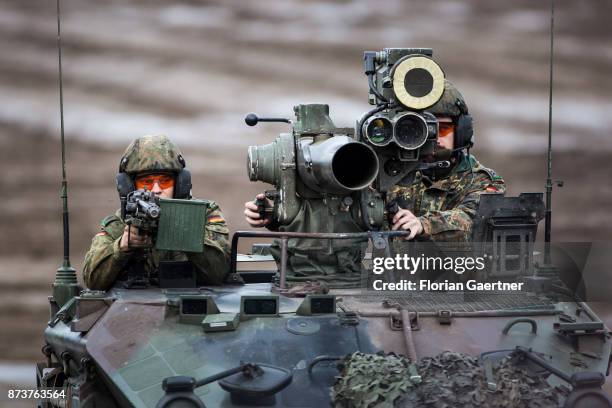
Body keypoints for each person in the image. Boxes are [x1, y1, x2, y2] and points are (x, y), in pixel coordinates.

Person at [244, 81, 505, 243]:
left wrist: (425, 224)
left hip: (458, 291)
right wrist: (276, 214)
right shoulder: (386, 173)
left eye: (443, 129)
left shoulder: (481, 181)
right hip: (391, 289)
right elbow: (345, 213)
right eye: (420, 130)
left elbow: (474, 220)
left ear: (463, 132)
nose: (433, 138)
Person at [83, 134, 230, 290]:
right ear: (129, 187)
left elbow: (219, 270)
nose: (156, 190)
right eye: (146, 182)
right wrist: (121, 248)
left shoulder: (203, 214)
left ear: (180, 184)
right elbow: (92, 280)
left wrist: (181, 229)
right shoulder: (120, 225)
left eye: (165, 181)